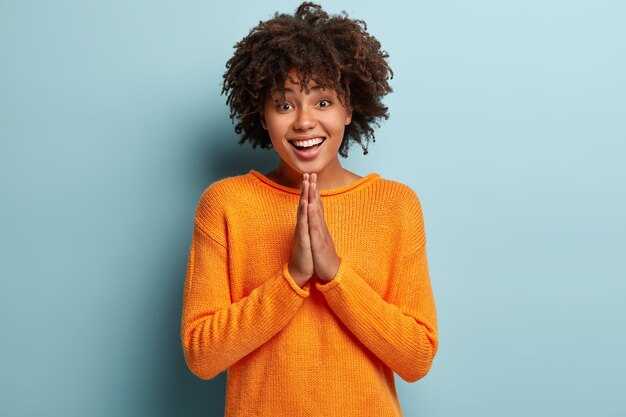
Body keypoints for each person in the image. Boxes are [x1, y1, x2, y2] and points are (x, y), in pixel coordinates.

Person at [180, 2, 438, 416]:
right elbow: (202, 356)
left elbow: (417, 358)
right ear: (262, 116)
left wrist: (335, 275)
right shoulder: (225, 204)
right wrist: (292, 278)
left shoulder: (396, 206)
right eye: (284, 105)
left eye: (322, 102)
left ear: (349, 110)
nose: (303, 121)